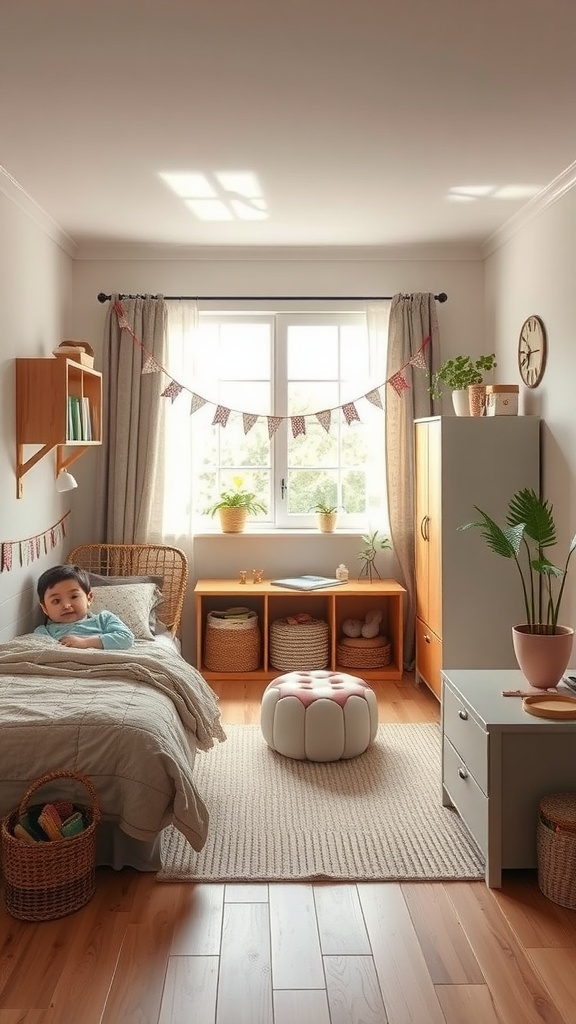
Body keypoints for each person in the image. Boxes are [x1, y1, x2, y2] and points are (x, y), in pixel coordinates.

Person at [35, 564, 134, 649]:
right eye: (56, 601)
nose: (66, 605)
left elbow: (127, 638)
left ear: (89, 598)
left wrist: (85, 643)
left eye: (74, 596)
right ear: (45, 608)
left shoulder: (104, 619)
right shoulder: (43, 632)